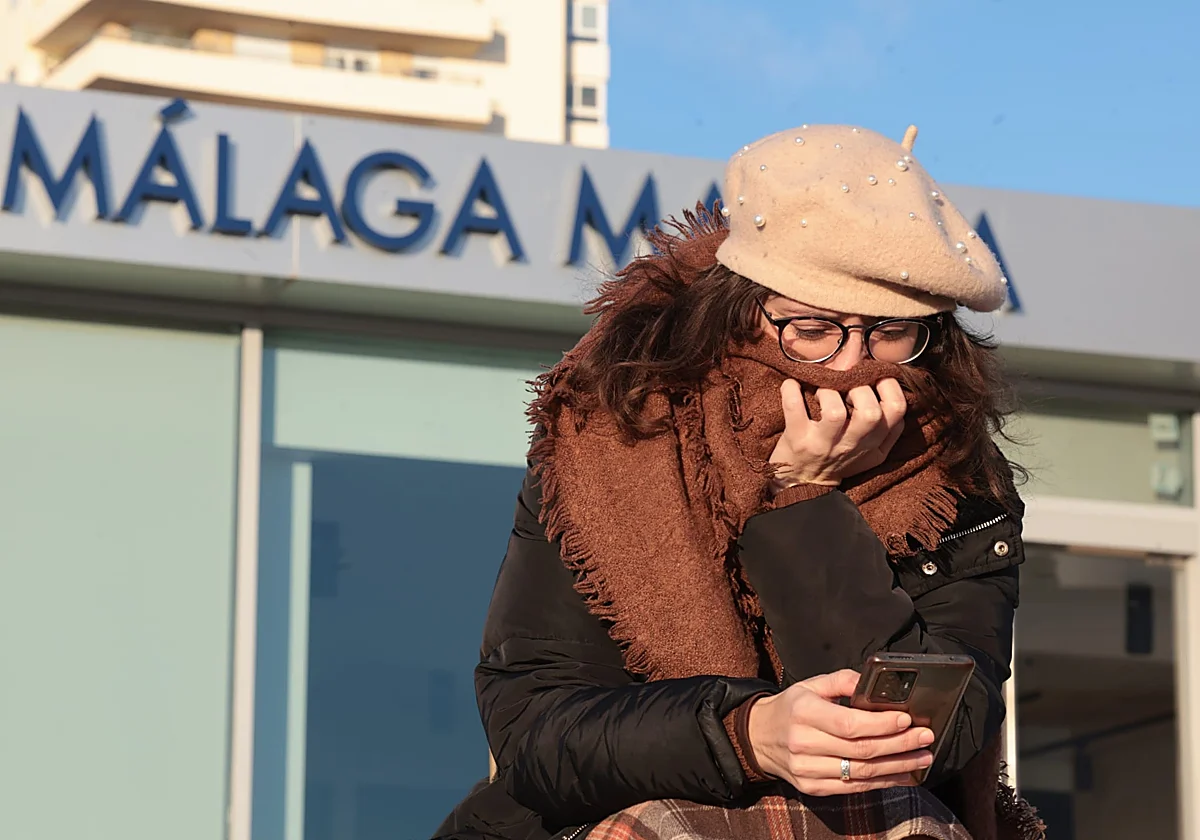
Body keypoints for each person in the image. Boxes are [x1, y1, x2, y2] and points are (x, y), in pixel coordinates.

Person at [435, 125, 1045, 840]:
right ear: (742, 308)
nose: (851, 364)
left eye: (887, 330)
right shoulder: (617, 433)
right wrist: (746, 734)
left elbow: (940, 728)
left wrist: (801, 499)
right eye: (814, 329)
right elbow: (537, 729)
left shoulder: (956, 473)